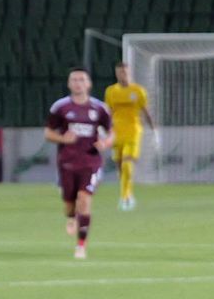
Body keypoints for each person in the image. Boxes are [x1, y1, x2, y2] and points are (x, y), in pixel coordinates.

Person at [45, 67, 113, 259]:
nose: (78, 83)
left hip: (91, 161)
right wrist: (63, 139)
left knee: (84, 199)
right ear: (69, 84)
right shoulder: (60, 107)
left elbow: (112, 132)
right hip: (67, 162)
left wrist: (106, 143)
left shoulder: (99, 108)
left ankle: (81, 246)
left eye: (82, 79)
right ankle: (70, 217)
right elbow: (48, 133)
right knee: (69, 204)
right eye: (74, 80)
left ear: (88, 84)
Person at [104, 61, 156, 210]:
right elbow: (108, 112)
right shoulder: (111, 91)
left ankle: (125, 198)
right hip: (116, 132)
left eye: (125, 72)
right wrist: (104, 129)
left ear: (129, 73)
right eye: (120, 72)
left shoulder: (138, 91)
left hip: (133, 131)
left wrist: (154, 131)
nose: (123, 74)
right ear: (116, 74)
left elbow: (146, 111)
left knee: (127, 163)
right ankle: (128, 192)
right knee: (120, 166)